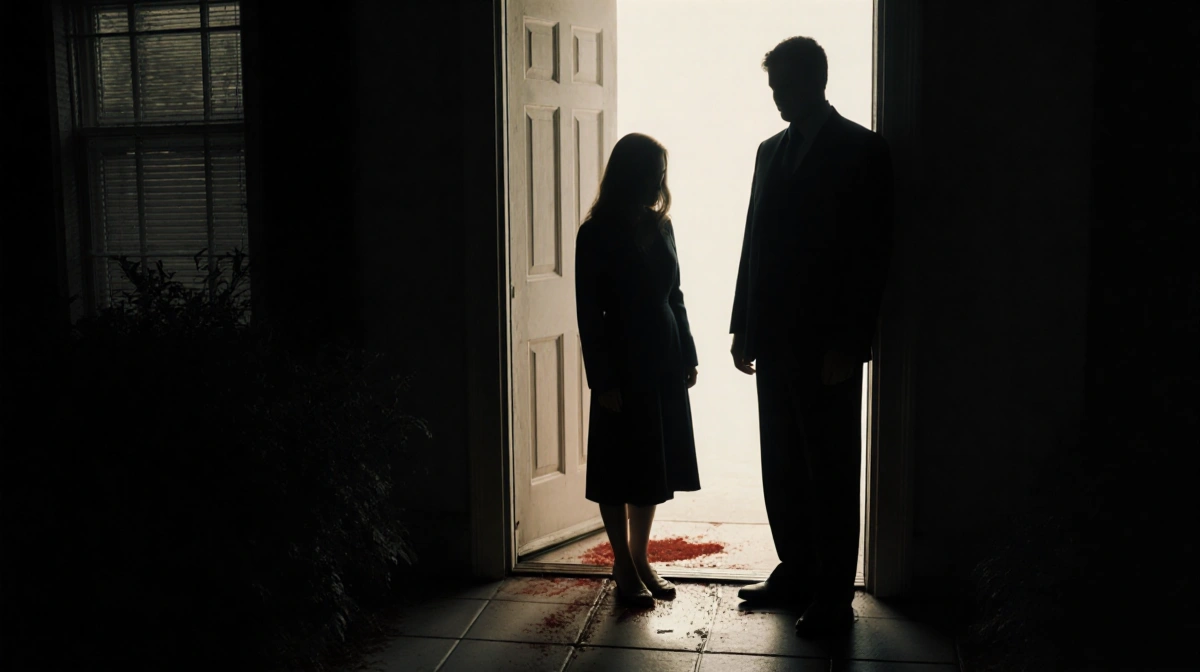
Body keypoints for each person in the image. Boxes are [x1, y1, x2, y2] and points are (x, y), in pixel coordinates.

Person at [729, 36, 894, 636]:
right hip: (771, 338)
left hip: (828, 345)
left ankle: (833, 595)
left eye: (782, 87)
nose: (774, 99)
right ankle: (795, 570)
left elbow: (870, 256)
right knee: (782, 461)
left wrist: (849, 344)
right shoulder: (768, 152)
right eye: (772, 88)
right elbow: (755, 243)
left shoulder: (863, 151)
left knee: (829, 466)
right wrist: (742, 325)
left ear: (814, 82)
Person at [575, 132, 701, 608]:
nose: (658, 183)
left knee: (650, 463)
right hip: (622, 361)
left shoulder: (661, 226)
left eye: (662, 174)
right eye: (652, 173)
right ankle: (622, 564)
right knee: (616, 465)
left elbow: (675, 294)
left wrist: (687, 351)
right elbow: (590, 313)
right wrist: (602, 380)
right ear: (631, 175)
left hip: (663, 357)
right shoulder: (596, 232)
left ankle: (640, 557)